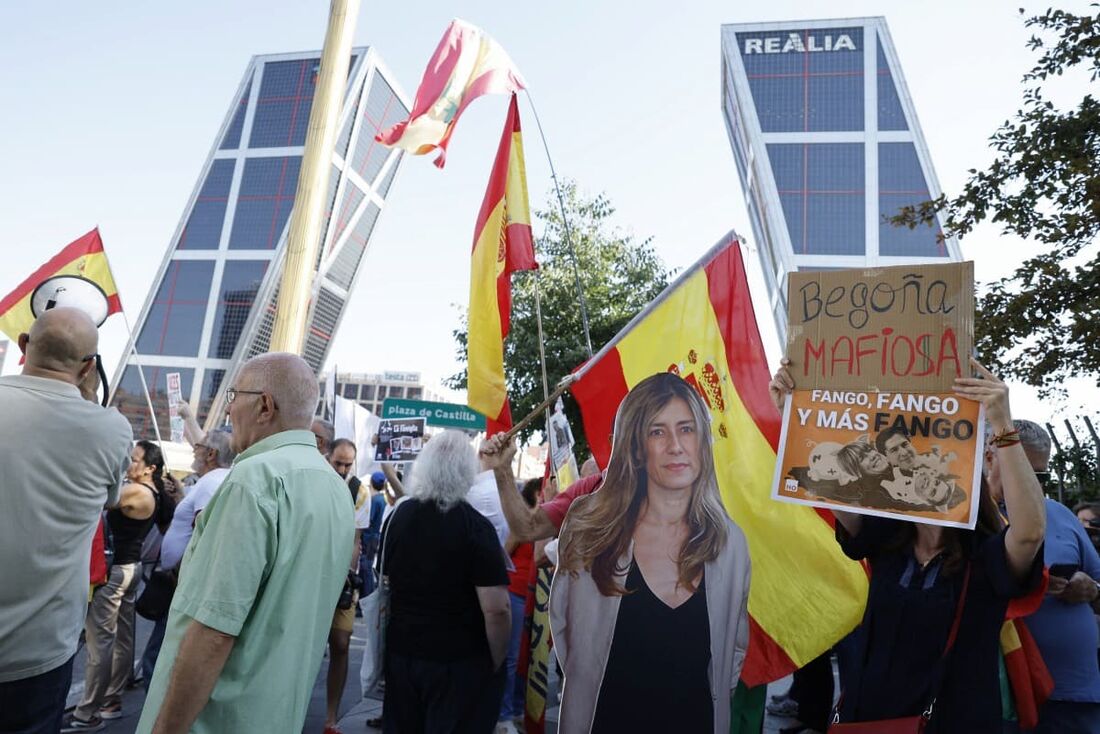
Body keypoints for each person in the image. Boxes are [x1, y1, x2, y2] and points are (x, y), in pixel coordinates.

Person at [769, 356, 1046, 732]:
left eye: (938, 475)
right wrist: (795, 414)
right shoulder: (887, 543)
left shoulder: (985, 559)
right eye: (915, 471)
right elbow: (832, 486)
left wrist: (1002, 424)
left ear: (962, 485)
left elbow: (1029, 532)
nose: (925, 476)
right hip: (867, 722)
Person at [136, 353, 355, 733]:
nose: (229, 408)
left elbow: (214, 631)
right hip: (275, 714)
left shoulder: (254, 479)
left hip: (215, 719)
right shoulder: (334, 486)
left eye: (234, 394)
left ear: (265, 406)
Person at [534, 372, 751, 734]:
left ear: (702, 441)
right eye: (657, 431)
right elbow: (569, 639)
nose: (675, 446)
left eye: (686, 429)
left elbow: (731, 654)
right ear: (635, 446)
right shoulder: (589, 529)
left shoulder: (729, 543)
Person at [0, 308, 132, 734]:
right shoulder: (111, 429)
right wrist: (87, 396)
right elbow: (109, 500)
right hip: (39, 650)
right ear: (89, 366)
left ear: (23, 346)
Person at [381, 430, 512, 733]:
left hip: (402, 656)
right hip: (457, 662)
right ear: (467, 470)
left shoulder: (399, 517)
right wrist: (496, 660)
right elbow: (497, 609)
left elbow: (387, 579)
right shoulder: (475, 528)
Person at [1007, 420, 1100, 733]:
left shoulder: (1058, 513)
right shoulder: (974, 517)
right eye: (1024, 473)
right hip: (1010, 693)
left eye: (1041, 477)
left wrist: (1092, 589)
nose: (1033, 485)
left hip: (1075, 692)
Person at [66, 440, 166, 729]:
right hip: (130, 569)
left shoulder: (136, 491)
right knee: (122, 638)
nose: (129, 464)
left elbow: (98, 497)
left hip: (116, 573)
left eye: (134, 460)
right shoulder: (155, 491)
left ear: (150, 468)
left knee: (101, 642)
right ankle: (112, 699)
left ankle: (87, 711)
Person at [141, 429, 236, 689]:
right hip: (182, 578)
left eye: (199, 445)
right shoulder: (213, 481)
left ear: (211, 454)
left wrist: (181, 572)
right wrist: (182, 497)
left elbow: (206, 533)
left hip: (182, 581)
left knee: (161, 650)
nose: (195, 449)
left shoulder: (212, 482)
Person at [323, 437, 371, 734]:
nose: (342, 468)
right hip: (310, 577)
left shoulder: (359, 491)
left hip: (342, 581)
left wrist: (344, 573)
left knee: (341, 643)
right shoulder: (315, 481)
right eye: (337, 462)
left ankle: (330, 718)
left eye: (347, 464)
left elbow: (355, 542)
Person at [499, 478, 541, 732]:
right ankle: (504, 714)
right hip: (516, 592)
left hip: (533, 595)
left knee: (527, 656)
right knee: (513, 657)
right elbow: (505, 552)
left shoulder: (546, 520)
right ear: (538, 492)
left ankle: (515, 708)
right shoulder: (523, 521)